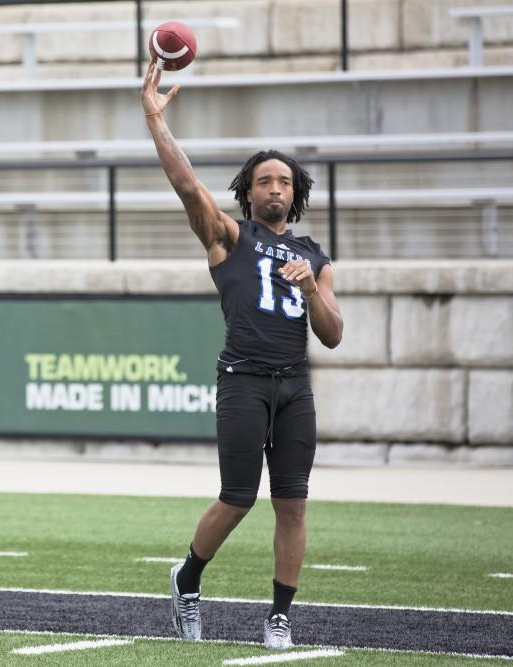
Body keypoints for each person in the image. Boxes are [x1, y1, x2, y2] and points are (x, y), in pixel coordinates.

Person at [141, 59, 344, 650]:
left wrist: (309, 288)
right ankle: (187, 578)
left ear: (295, 192)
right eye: (264, 182)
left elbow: (332, 333)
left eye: (284, 181)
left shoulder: (315, 255)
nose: (275, 188)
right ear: (248, 193)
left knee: (294, 503)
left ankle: (279, 615)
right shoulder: (230, 237)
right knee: (238, 496)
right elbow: (185, 185)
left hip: (294, 385)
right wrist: (156, 119)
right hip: (243, 378)